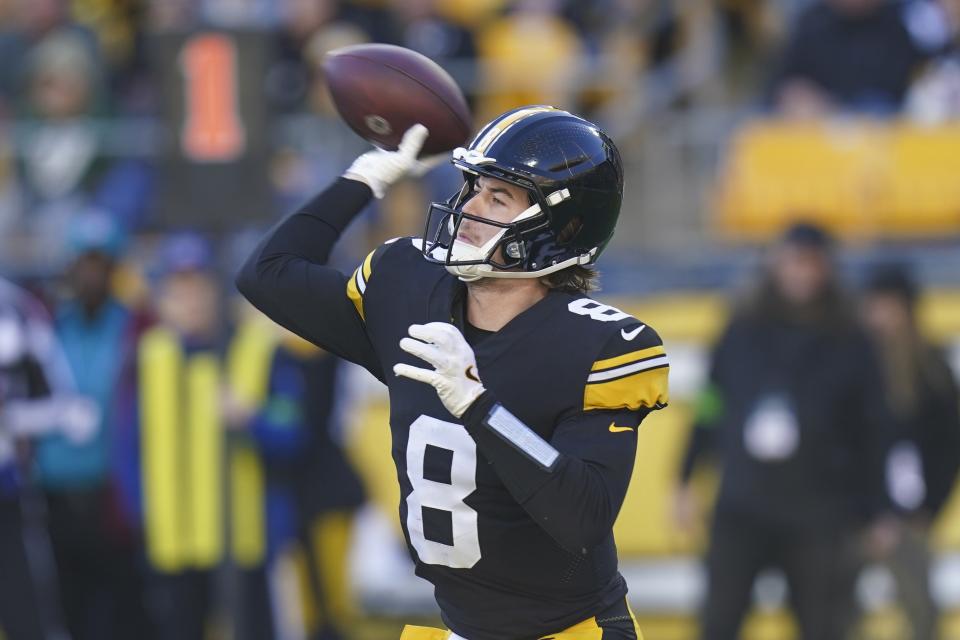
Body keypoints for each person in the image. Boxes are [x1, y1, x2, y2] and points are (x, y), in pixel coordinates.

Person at [237, 107, 670, 639]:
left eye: (498, 197)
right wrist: (361, 180)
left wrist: (481, 409)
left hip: (569, 631)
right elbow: (266, 274)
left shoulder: (599, 345)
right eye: (472, 188)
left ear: (562, 227)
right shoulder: (410, 286)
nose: (468, 208)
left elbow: (584, 517)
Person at [674, 222, 893, 640]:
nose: (802, 272)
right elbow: (709, 403)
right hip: (742, 505)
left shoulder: (852, 339)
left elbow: (873, 429)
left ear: (828, 268)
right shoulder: (740, 329)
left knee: (823, 625)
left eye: (812, 263)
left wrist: (878, 510)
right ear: (776, 263)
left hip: (820, 510)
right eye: (793, 261)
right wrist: (685, 477)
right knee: (718, 622)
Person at [37, 210, 150, 640]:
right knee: (68, 613)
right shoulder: (47, 325)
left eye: (100, 264)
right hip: (56, 498)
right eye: (84, 262)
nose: (91, 274)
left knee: (125, 614)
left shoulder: (137, 327)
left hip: (114, 498)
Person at [861, 264, 960, 640]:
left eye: (889, 306)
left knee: (921, 614)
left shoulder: (931, 368)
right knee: (834, 613)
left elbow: (949, 446)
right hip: (851, 514)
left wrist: (927, 509)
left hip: (908, 517)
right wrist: (866, 511)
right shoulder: (850, 363)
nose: (881, 316)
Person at [0, 275, 95, 640]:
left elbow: (74, 413)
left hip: (10, 498)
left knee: (28, 615)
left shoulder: (18, 309)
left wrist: (15, 418)